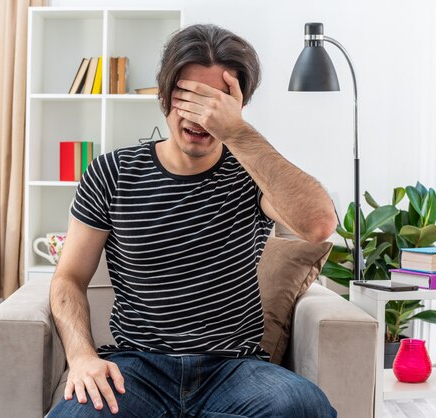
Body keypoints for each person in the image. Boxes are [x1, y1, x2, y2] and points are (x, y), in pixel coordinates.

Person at [48, 24, 338, 418]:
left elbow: (319, 224)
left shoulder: (253, 172)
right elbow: (68, 279)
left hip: (234, 370)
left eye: (216, 101)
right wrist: (81, 356)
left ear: (237, 106)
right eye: (189, 97)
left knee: (305, 406)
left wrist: (237, 132)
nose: (202, 115)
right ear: (165, 97)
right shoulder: (112, 173)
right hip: (137, 367)